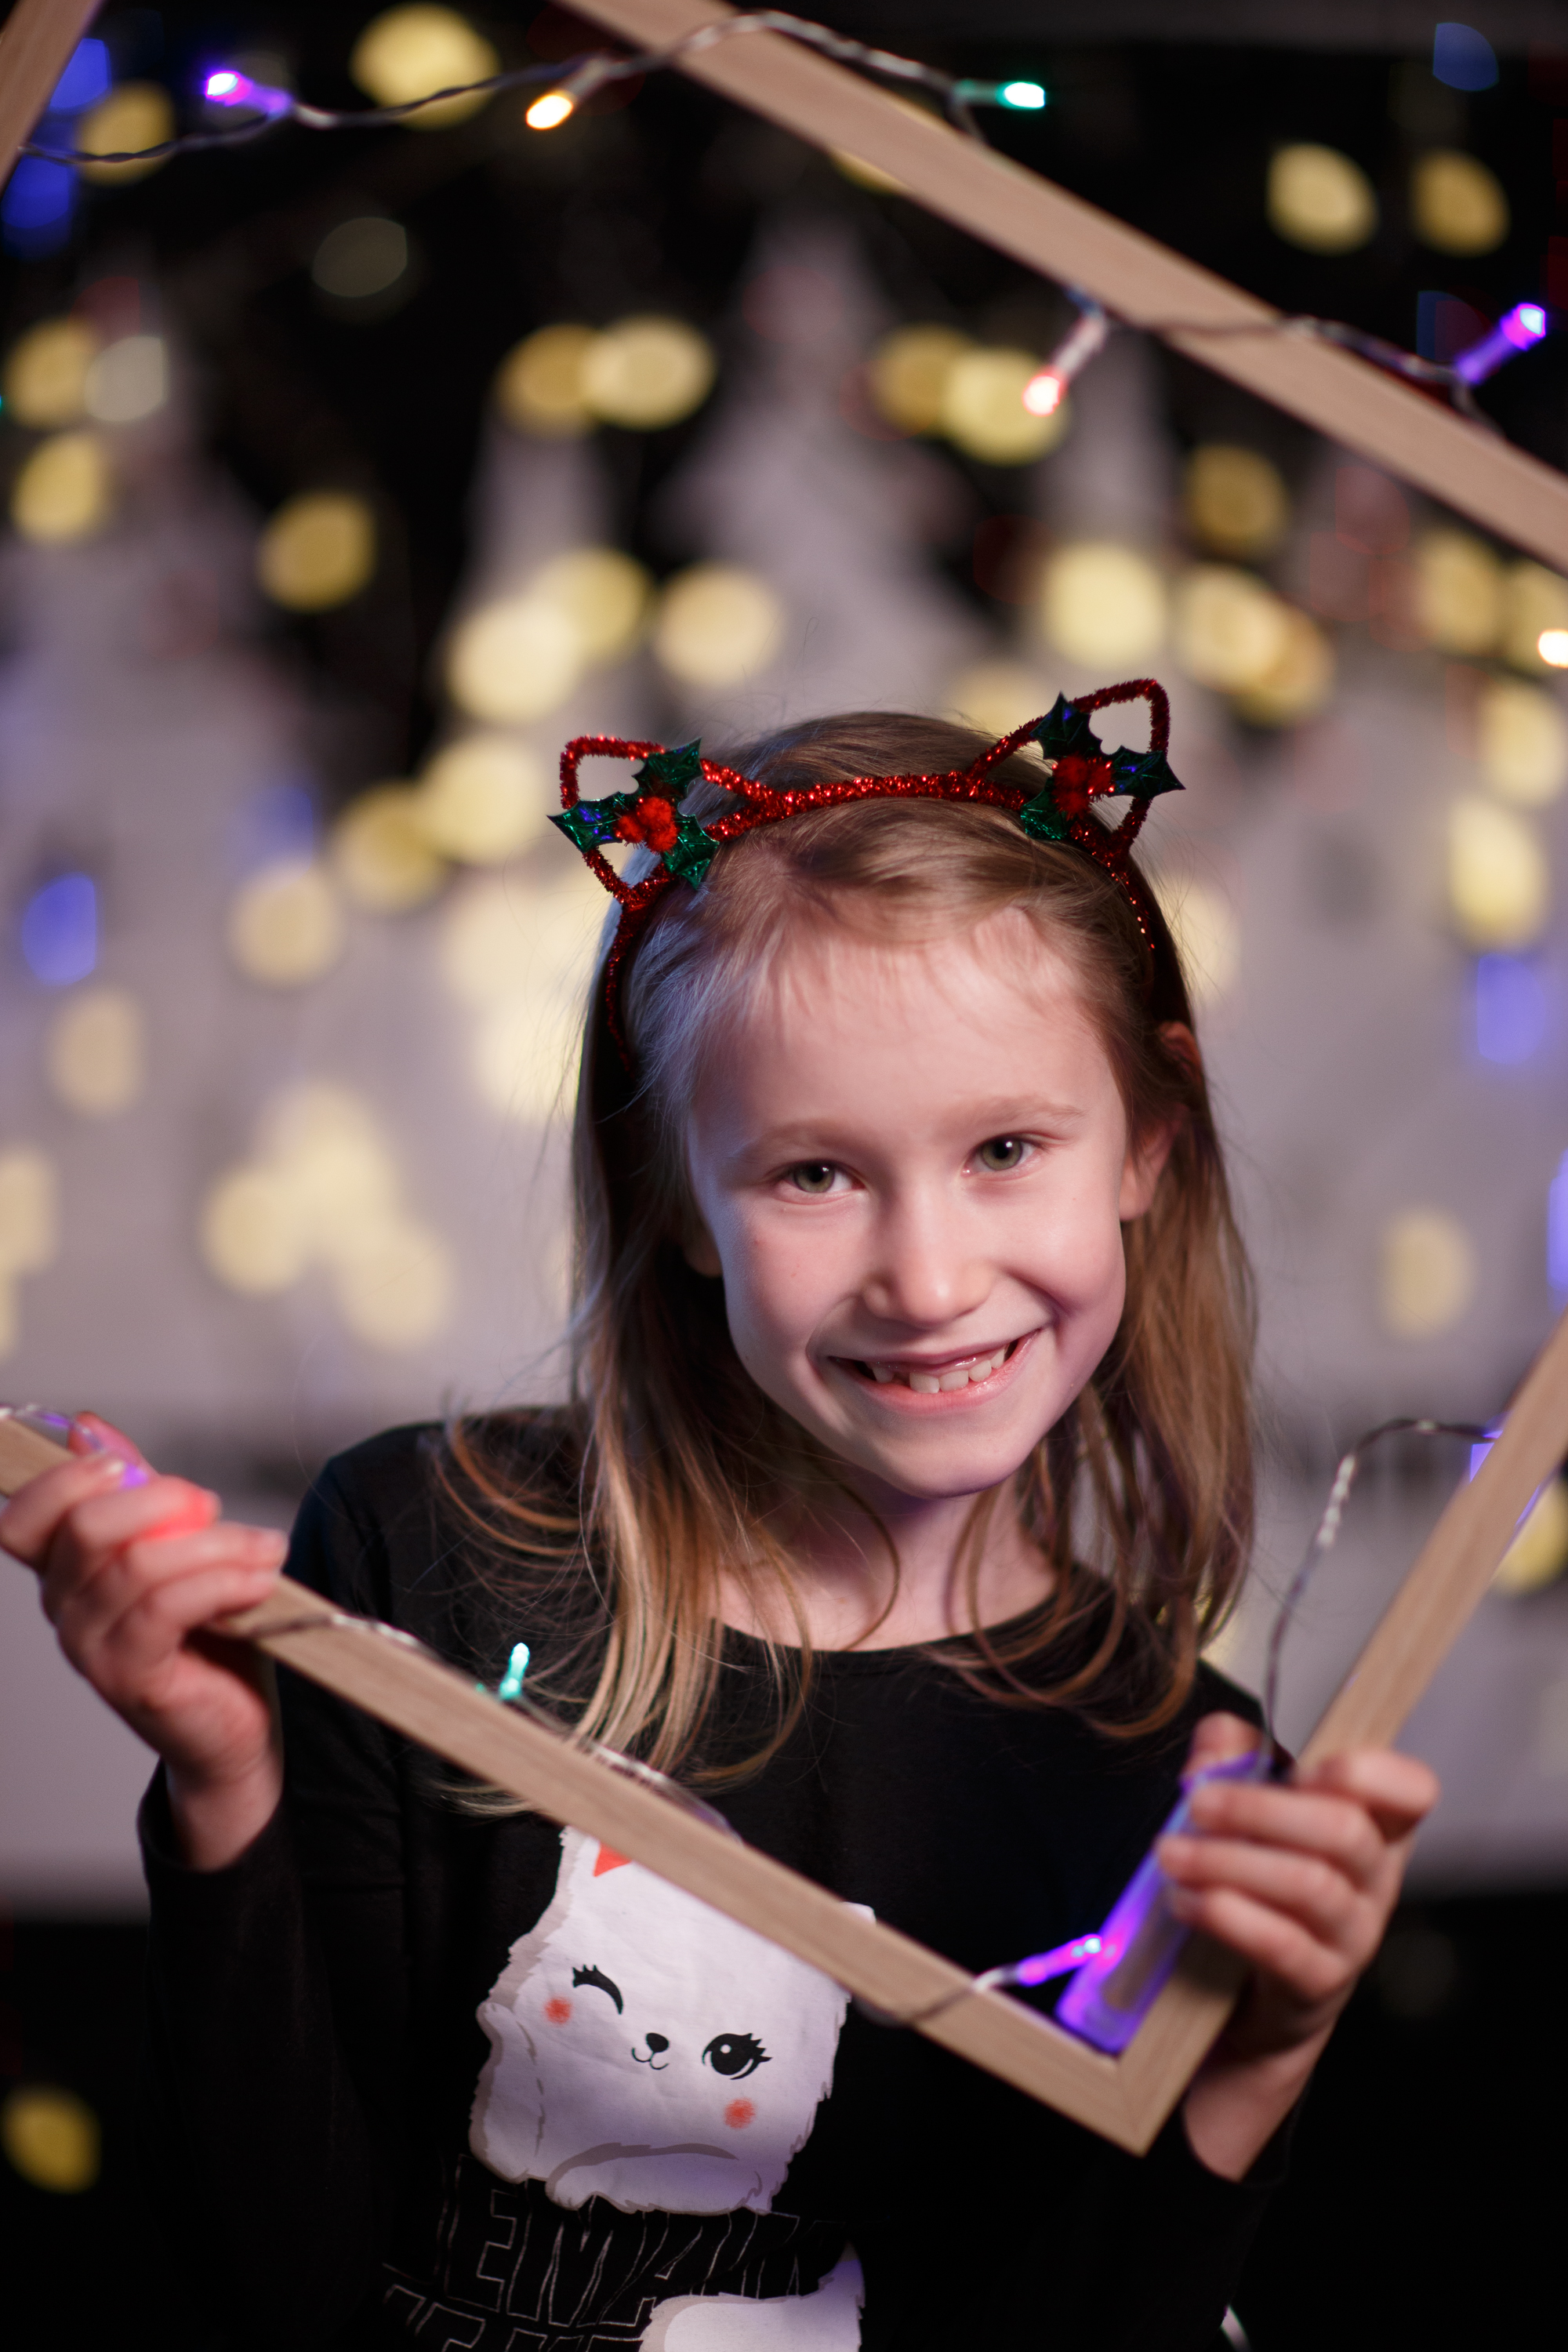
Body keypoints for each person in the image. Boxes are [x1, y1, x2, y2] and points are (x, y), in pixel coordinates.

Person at [4, 686, 1436, 2351]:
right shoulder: (419, 1556)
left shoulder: (1181, 1783)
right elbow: (268, 2279)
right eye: (813, 1174)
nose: (927, 1279)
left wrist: (1251, 2064)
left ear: (1147, 1145)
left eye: (1004, 1148)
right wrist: (224, 1783)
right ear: (677, 1194)